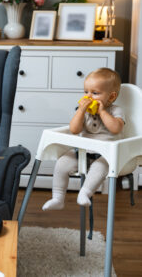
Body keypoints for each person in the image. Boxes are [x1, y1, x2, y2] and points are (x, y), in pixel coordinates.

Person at [42, 68, 125, 210]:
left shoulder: (115, 110)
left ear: (111, 97)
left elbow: (116, 128)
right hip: (82, 152)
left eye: (95, 93)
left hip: (104, 155)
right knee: (62, 162)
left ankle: (85, 192)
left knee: (101, 167)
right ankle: (57, 197)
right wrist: (80, 111)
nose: (88, 97)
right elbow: (74, 129)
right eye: (86, 92)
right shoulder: (84, 112)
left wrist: (102, 111)